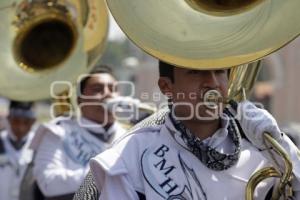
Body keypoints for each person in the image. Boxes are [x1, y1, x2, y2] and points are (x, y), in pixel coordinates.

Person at [89, 60, 300, 199]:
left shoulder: (262, 153)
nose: (213, 83)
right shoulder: (128, 157)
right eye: (196, 72)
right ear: (166, 87)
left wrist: (279, 144)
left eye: (220, 71)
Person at [30, 65, 126, 199]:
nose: (108, 95)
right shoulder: (58, 131)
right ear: (80, 100)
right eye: (97, 89)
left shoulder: (129, 137)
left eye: (113, 89)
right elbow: (48, 183)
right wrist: (104, 172)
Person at [0, 100, 36, 200]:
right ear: (9, 119)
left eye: (26, 122)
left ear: (33, 121)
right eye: (16, 121)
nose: (21, 127)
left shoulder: (39, 145)